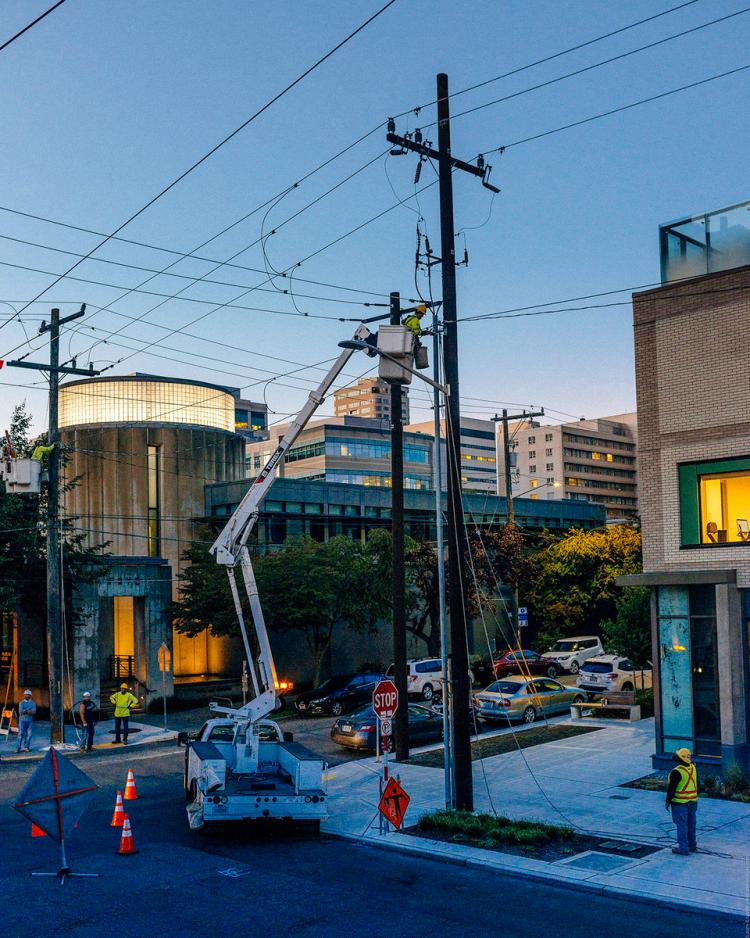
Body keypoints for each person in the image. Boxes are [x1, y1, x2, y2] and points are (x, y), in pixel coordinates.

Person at [665, 747, 698, 855]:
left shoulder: (676, 772)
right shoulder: (693, 767)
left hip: (680, 803)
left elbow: (671, 789)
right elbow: (698, 783)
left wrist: (667, 801)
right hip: (693, 802)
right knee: (691, 824)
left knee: (682, 825)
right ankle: (692, 845)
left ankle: (683, 848)